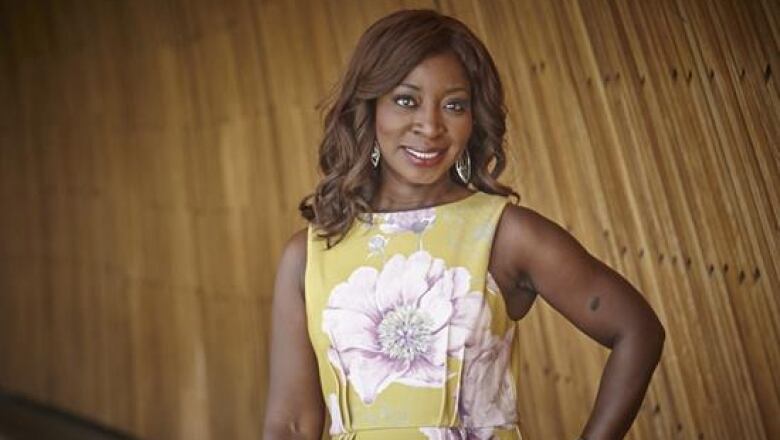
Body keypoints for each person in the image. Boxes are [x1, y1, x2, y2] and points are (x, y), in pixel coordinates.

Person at [262, 9, 665, 440]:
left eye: (454, 105)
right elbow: (291, 422)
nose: (431, 126)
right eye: (406, 100)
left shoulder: (506, 235)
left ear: (473, 119)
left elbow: (637, 330)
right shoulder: (309, 255)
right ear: (369, 107)